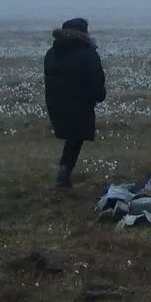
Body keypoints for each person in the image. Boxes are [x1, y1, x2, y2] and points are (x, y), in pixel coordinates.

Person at [43, 16, 106, 188]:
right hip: (80, 106)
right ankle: (63, 175)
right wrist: (99, 96)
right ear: (83, 33)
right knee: (75, 138)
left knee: (73, 139)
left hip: (56, 105)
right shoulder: (87, 53)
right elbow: (96, 81)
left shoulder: (52, 52)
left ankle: (63, 174)